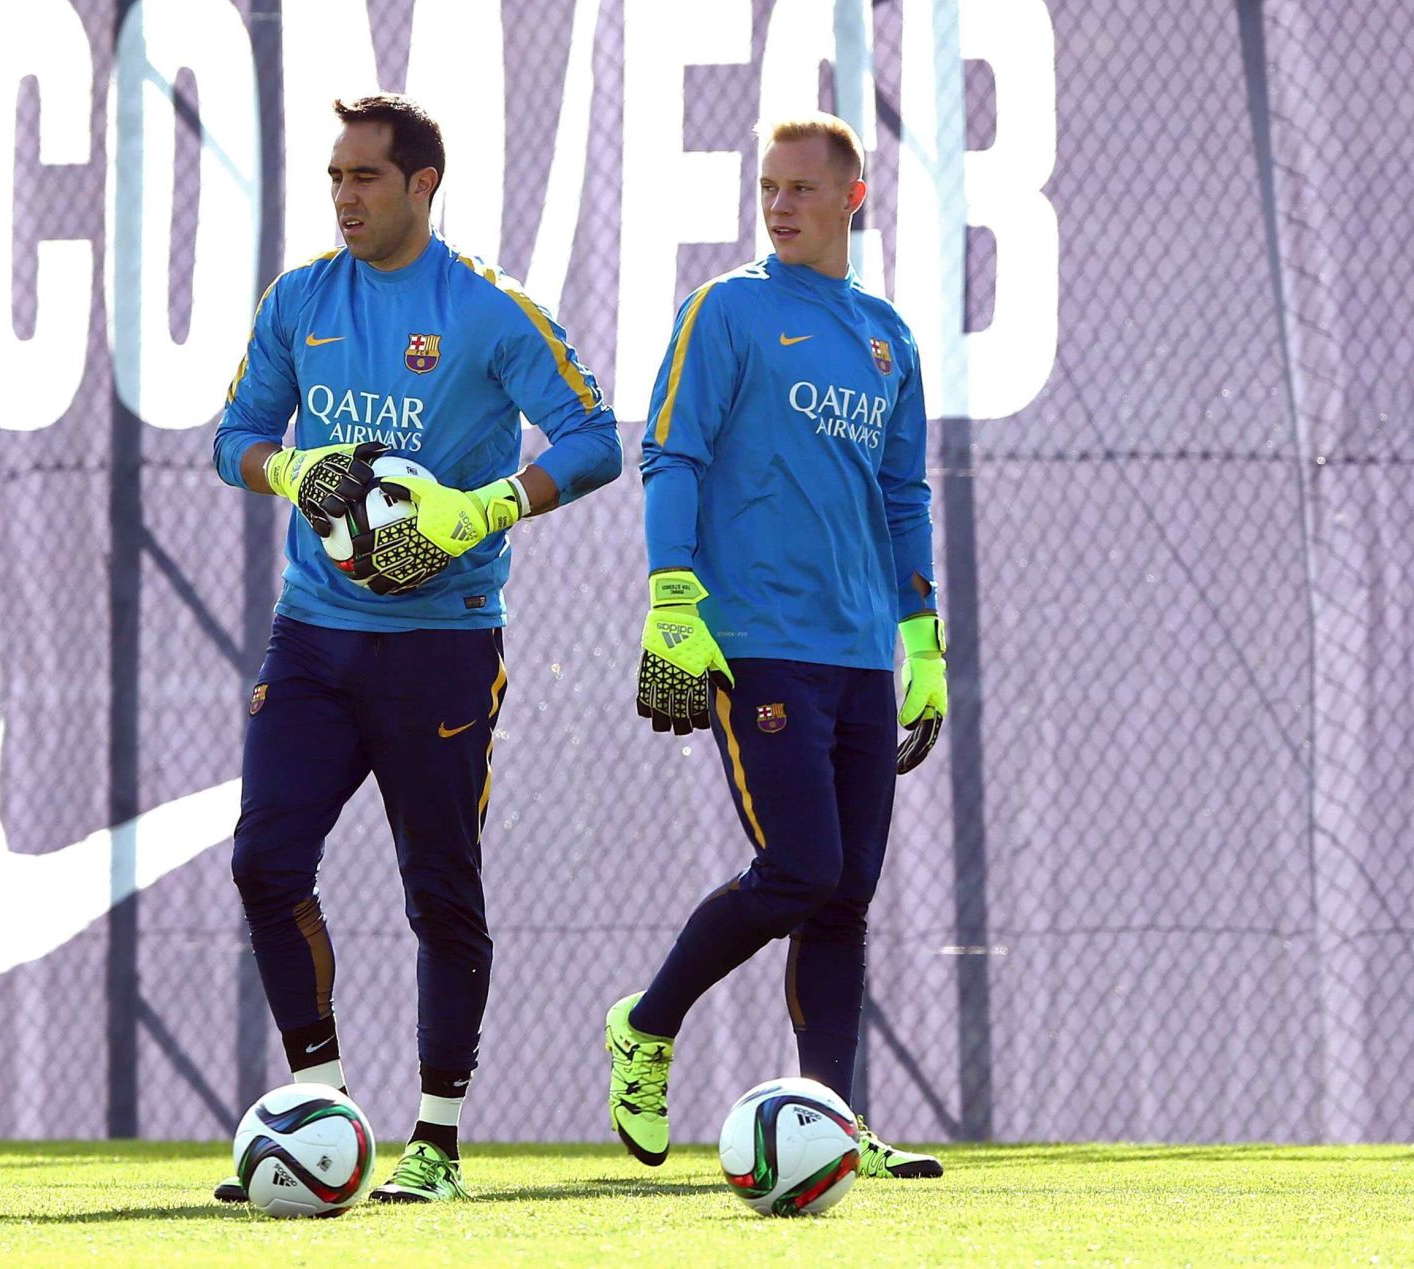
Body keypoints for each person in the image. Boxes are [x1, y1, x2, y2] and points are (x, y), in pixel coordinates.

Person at [210, 93, 620, 1203]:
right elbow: (233, 438)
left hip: (441, 646)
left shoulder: (489, 312)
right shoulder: (301, 300)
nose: (343, 196)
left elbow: (595, 441)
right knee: (263, 862)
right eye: (335, 177)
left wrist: (489, 506)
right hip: (313, 637)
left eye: (365, 179)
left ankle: (436, 1140)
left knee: (440, 889)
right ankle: (321, 1113)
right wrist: (289, 470)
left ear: (421, 186)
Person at [604, 112, 949, 1179]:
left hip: (858, 655)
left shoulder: (886, 334)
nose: (780, 205)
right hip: (749, 640)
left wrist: (924, 645)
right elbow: (672, 450)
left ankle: (829, 1126)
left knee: (843, 896)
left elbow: (904, 496)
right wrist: (673, 594)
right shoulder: (728, 309)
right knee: (801, 866)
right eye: (768, 188)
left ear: (853, 200)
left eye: (802, 189)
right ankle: (646, 1027)